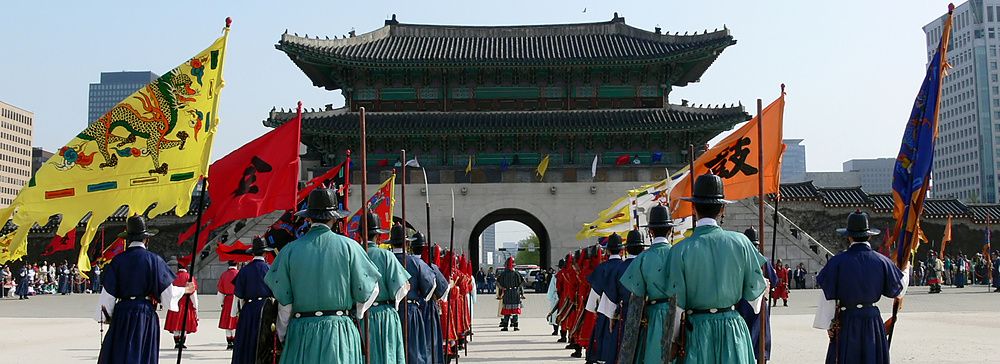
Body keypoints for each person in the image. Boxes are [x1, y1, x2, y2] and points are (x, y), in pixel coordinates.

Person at [264, 188, 382, 364]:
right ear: (335, 218)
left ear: (308, 218)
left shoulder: (289, 251)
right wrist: (354, 312)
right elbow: (372, 289)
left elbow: (284, 304)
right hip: (339, 333)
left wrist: (283, 334)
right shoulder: (351, 247)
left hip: (301, 332)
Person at [664, 173, 768, 363]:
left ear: (693, 207)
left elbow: (677, 306)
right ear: (723, 209)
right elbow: (755, 304)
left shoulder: (679, 250)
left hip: (697, 332)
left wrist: (673, 341)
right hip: (732, 329)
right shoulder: (742, 243)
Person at [96, 216, 195, 364]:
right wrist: (184, 290)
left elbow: (108, 294)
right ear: (146, 240)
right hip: (144, 314)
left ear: (127, 239)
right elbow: (167, 296)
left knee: (120, 355)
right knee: (142, 356)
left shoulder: (117, 261)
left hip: (122, 313)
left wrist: (106, 317)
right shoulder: (154, 260)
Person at [813, 210, 905, 364]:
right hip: (872, 321)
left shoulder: (837, 262)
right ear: (869, 235)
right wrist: (906, 270)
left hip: (847, 320)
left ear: (849, 236)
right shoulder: (883, 261)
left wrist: (828, 323)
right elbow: (898, 290)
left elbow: (827, 295)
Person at [619, 204, 675, 364]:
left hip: (654, 315)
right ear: (670, 230)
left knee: (653, 355)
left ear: (650, 231)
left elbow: (636, 300)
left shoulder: (642, 259)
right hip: (678, 313)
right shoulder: (679, 253)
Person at [362, 216, 410, 364]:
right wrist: (394, 304)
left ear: (359, 234)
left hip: (361, 317)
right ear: (378, 235)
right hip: (385, 314)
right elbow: (403, 286)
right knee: (387, 355)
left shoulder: (354, 253)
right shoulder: (386, 255)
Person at [392, 224, 437, 364]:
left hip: (388, 311)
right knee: (413, 351)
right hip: (410, 311)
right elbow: (431, 285)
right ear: (406, 243)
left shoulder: (385, 258)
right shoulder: (415, 262)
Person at [736, 227, 779, 362]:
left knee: (744, 338)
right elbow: (774, 281)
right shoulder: (764, 261)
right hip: (760, 305)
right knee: (761, 337)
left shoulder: (738, 260)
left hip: (741, 303)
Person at [230, 236, 275, 364]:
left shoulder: (244, 271)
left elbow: (238, 296)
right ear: (265, 253)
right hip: (266, 309)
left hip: (248, 310)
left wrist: (233, 313)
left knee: (246, 340)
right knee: (263, 343)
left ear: (253, 253)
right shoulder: (270, 269)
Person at [587, 233, 625, 364]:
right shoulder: (625, 267)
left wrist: (594, 308)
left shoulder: (601, 268)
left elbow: (593, 299)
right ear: (622, 250)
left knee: (604, 345)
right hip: (622, 312)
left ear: (607, 250)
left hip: (604, 312)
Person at [164, 264, 199, 349]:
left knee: (175, 323)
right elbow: (193, 294)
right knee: (184, 324)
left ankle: (176, 342)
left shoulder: (172, 276)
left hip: (175, 301)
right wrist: (196, 307)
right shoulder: (189, 277)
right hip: (186, 302)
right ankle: (182, 342)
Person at [497, 257, 524, 332]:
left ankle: (505, 326)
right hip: (515, 293)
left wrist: (502, 289)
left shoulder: (503, 274)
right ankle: (515, 326)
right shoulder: (516, 273)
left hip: (507, 293)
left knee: (507, 311)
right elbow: (522, 282)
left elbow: (497, 283)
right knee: (515, 311)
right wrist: (520, 291)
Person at [218, 260, 240, 349]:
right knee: (235, 323)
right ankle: (234, 342)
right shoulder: (239, 274)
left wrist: (222, 303)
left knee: (227, 323)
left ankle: (229, 342)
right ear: (237, 263)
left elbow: (220, 292)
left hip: (227, 299)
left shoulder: (224, 275)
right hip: (237, 299)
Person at [546, 259, 564, 336]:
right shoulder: (569, 274)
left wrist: (550, 297)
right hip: (566, 296)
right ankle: (563, 331)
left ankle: (555, 330)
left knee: (554, 314)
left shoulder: (556, 276)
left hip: (556, 296)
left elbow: (552, 288)